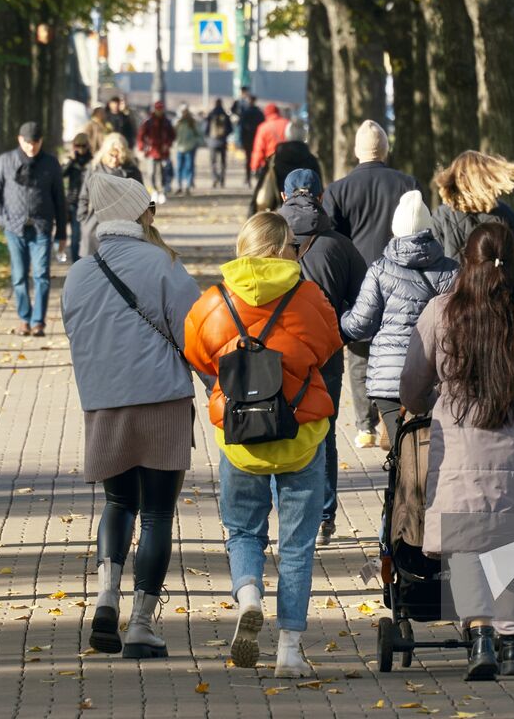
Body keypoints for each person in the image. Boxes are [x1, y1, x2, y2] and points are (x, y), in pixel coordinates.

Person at [183, 212, 343, 678]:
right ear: (279, 250)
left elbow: (197, 353)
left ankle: (248, 593)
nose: (297, 251)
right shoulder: (309, 297)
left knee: (243, 530)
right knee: (297, 545)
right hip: (300, 433)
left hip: (241, 439)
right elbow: (330, 345)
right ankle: (290, 650)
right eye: (292, 245)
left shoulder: (214, 302)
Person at [400, 223, 514, 681]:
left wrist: (430, 403)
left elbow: (412, 384)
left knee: (464, 542)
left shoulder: (441, 311)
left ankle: (481, 634)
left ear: (466, 261)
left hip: (459, 435)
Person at [61, 173, 202, 660]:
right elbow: (196, 333)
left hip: (104, 404)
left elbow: (76, 337)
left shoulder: (78, 273)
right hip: (162, 401)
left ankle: (105, 599)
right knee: (159, 512)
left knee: (119, 504)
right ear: (140, 213)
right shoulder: (163, 265)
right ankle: (141, 624)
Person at [277, 169, 367, 545]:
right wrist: (340, 331)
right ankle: (325, 515)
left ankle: (284, 511)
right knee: (323, 431)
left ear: (283, 197)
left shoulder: (267, 237)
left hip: (275, 350)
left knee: (276, 425)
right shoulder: (339, 244)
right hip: (325, 352)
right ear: (321, 196)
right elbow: (364, 300)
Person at [323, 121, 419, 449]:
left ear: (356, 151)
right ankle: (393, 416)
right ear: (386, 148)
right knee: (401, 350)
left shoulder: (337, 190)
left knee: (359, 353)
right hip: (402, 279)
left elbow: (332, 242)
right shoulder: (407, 185)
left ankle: (364, 425)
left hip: (357, 283)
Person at [340, 190, 457, 449]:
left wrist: (342, 315)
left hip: (389, 378)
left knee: (400, 453)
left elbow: (360, 324)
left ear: (396, 228)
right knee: (432, 452)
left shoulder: (380, 269)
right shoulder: (452, 270)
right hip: (435, 375)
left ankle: (398, 481)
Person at [0, 121, 67, 337]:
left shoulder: (50, 163)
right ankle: (24, 318)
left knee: (41, 274)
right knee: (19, 276)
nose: (31, 147)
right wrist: (2, 220)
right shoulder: (6, 161)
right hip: (14, 228)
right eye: (27, 142)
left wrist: (61, 233)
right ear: (19, 140)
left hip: (41, 226)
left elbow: (59, 198)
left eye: (36, 142)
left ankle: (38, 321)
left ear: (41, 141)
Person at [429, 150, 514, 285]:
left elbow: (432, 266)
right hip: (499, 299)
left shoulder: (440, 217)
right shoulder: (505, 215)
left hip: (453, 300)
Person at [78, 133, 144, 257]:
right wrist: (83, 220)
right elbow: (84, 196)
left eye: (118, 156)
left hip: (123, 226)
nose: (114, 159)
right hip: (95, 224)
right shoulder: (94, 169)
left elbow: (142, 200)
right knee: (93, 265)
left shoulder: (132, 171)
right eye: (111, 155)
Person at [250, 120, 323, 215]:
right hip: (306, 214)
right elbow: (319, 188)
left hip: (277, 212)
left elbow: (261, 184)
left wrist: (252, 211)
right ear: (305, 136)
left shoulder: (274, 159)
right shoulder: (311, 160)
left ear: (287, 135)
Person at [60, 132, 93, 262]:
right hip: (74, 202)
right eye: (77, 146)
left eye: (83, 146)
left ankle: (88, 262)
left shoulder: (93, 161)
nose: (80, 149)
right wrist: (71, 160)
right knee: (75, 236)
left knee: (89, 235)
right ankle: (76, 264)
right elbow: (60, 174)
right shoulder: (71, 161)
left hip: (90, 202)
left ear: (88, 146)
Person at [137, 102, 176, 200]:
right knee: (151, 173)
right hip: (151, 152)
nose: (159, 111)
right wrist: (142, 147)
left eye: (161, 109)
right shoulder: (148, 122)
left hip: (163, 153)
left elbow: (172, 135)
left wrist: (168, 144)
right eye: (158, 109)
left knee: (163, 172)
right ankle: (153, 191)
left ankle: (162, 191)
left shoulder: (167, 122)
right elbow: (141, 136)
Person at [247, 103, 289, 176]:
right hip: (287, 163)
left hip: (270, 165)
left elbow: (259, 149)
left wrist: (254, 166)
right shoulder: (287, 124)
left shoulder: (263, 127)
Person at [236, 89, 266, 185]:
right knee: (259, 157)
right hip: (257, 139)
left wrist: (240, 141)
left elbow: (241, 127)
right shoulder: (259, 113)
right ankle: (257, 175)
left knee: (248, 159)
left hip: (247, 139)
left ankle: (248, 177)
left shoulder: (245, 113)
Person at [172, 106, 202, 195]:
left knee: (189, 167)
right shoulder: (177, 122)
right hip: (179, 148)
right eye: (182, 112)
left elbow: (199, 134)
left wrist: (195, 143)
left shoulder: (192, 123)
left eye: (185, 112)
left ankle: (188, 186)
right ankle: (179, 186)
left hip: (189, 148)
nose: (184, 114)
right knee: (179, 168)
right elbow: (172, 133)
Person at [205, 98, 233, 188]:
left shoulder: (211, 114)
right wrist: (224, 136)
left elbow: (206, 129)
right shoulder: (225, 115)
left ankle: (214, 178)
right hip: (223, 142)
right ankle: (222, 180)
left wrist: (208, 139)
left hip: (212, 142)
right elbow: (230, 129)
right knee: (223, 162)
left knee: (213, 162)